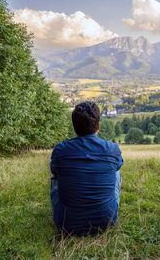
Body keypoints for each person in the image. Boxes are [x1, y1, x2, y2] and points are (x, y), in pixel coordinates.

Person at [50, 101, 123, 235]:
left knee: (55, 179)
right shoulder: (112, 149)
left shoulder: (60, 149)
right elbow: (117, 167)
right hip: (106, 221)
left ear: (75, 126)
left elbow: (54, 172)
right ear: (98, 125)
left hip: (66, 224)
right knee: (116, 172)